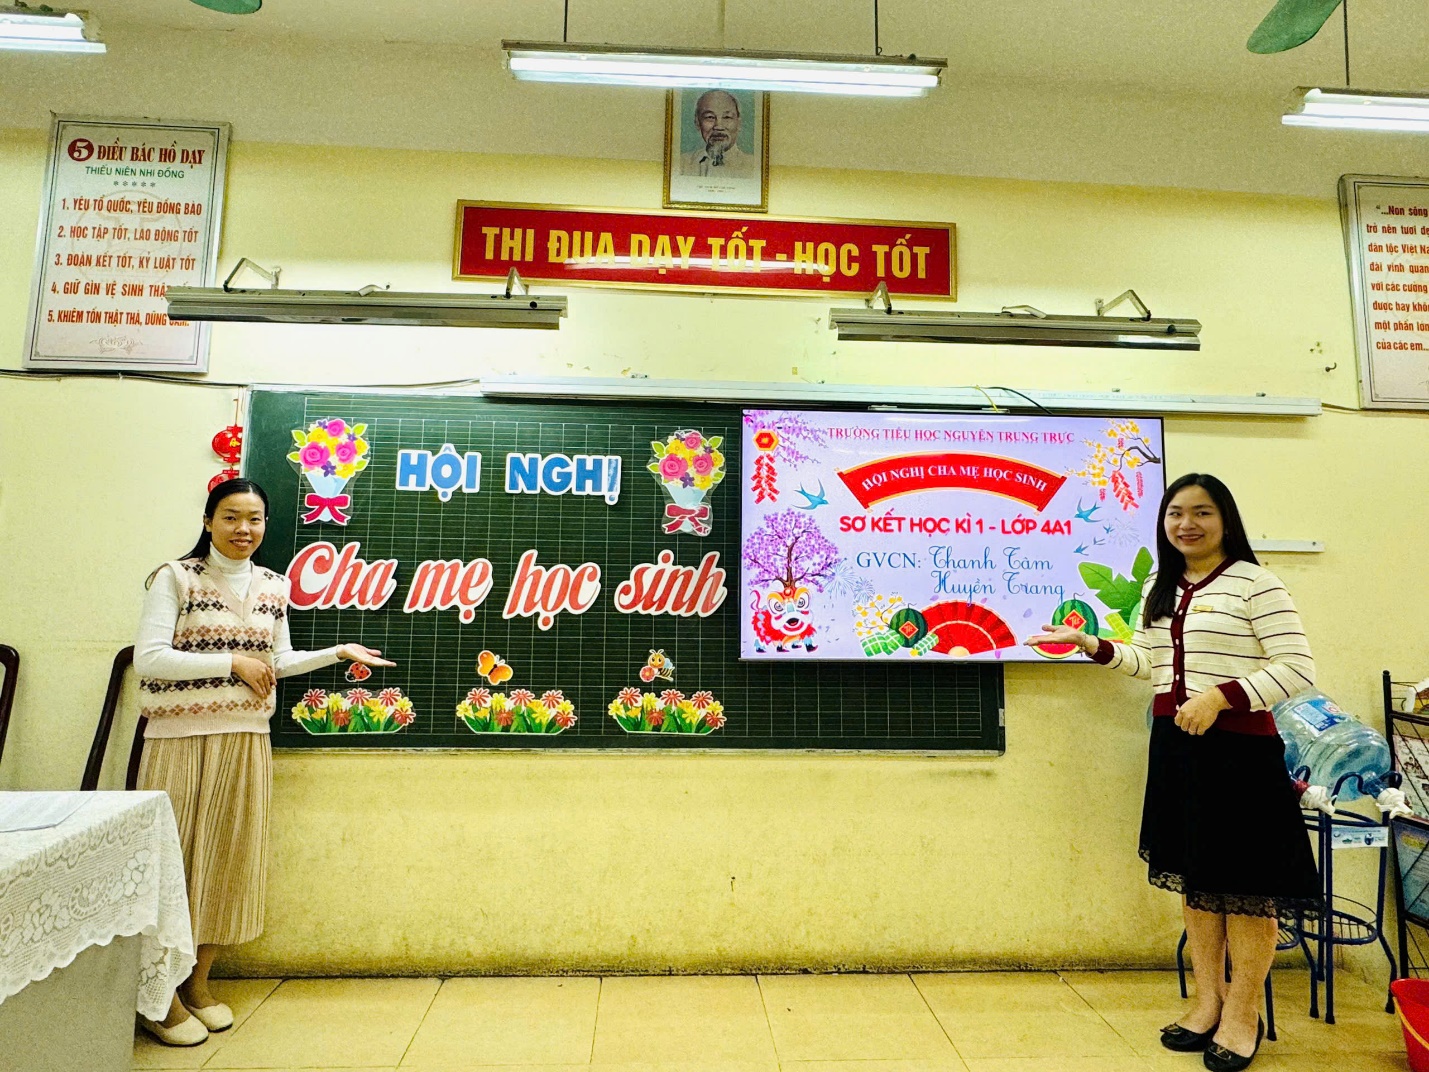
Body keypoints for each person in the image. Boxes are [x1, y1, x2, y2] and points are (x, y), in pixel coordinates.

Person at [1027, 473, 1319, 1072]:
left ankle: (1244, 1015)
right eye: (1174, 513)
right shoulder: (1162, 586)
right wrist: (1092, 645)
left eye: (1201, 512)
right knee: (1197, 885)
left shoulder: (1256, 584)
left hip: (1240, 754)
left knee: (1247, 891)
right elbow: (1149, 661)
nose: (1186, 524)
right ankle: (1207, 1003)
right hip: (1178, 751)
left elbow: (1298, 668)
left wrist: (1219, 697)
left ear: (1226, 520)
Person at [132, 478, 392, 1046]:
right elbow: (149, 658)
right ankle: (156, 997)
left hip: (247, 738)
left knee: (227, 863)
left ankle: (197, 983)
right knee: (173, 865)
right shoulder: (174, 578)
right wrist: (232, 662)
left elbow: (275, 660)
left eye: (254, 519)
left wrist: (335, 654)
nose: (242, 529)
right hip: (181, 739)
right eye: (230, 517)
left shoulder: (274, 586)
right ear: (208, 521)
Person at [679, 89, 756, 178]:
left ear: (738, 123)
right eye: (710, 117)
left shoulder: (754, 167)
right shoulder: (681, 164)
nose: (718, 126)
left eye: (727, 117)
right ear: (697, 122)